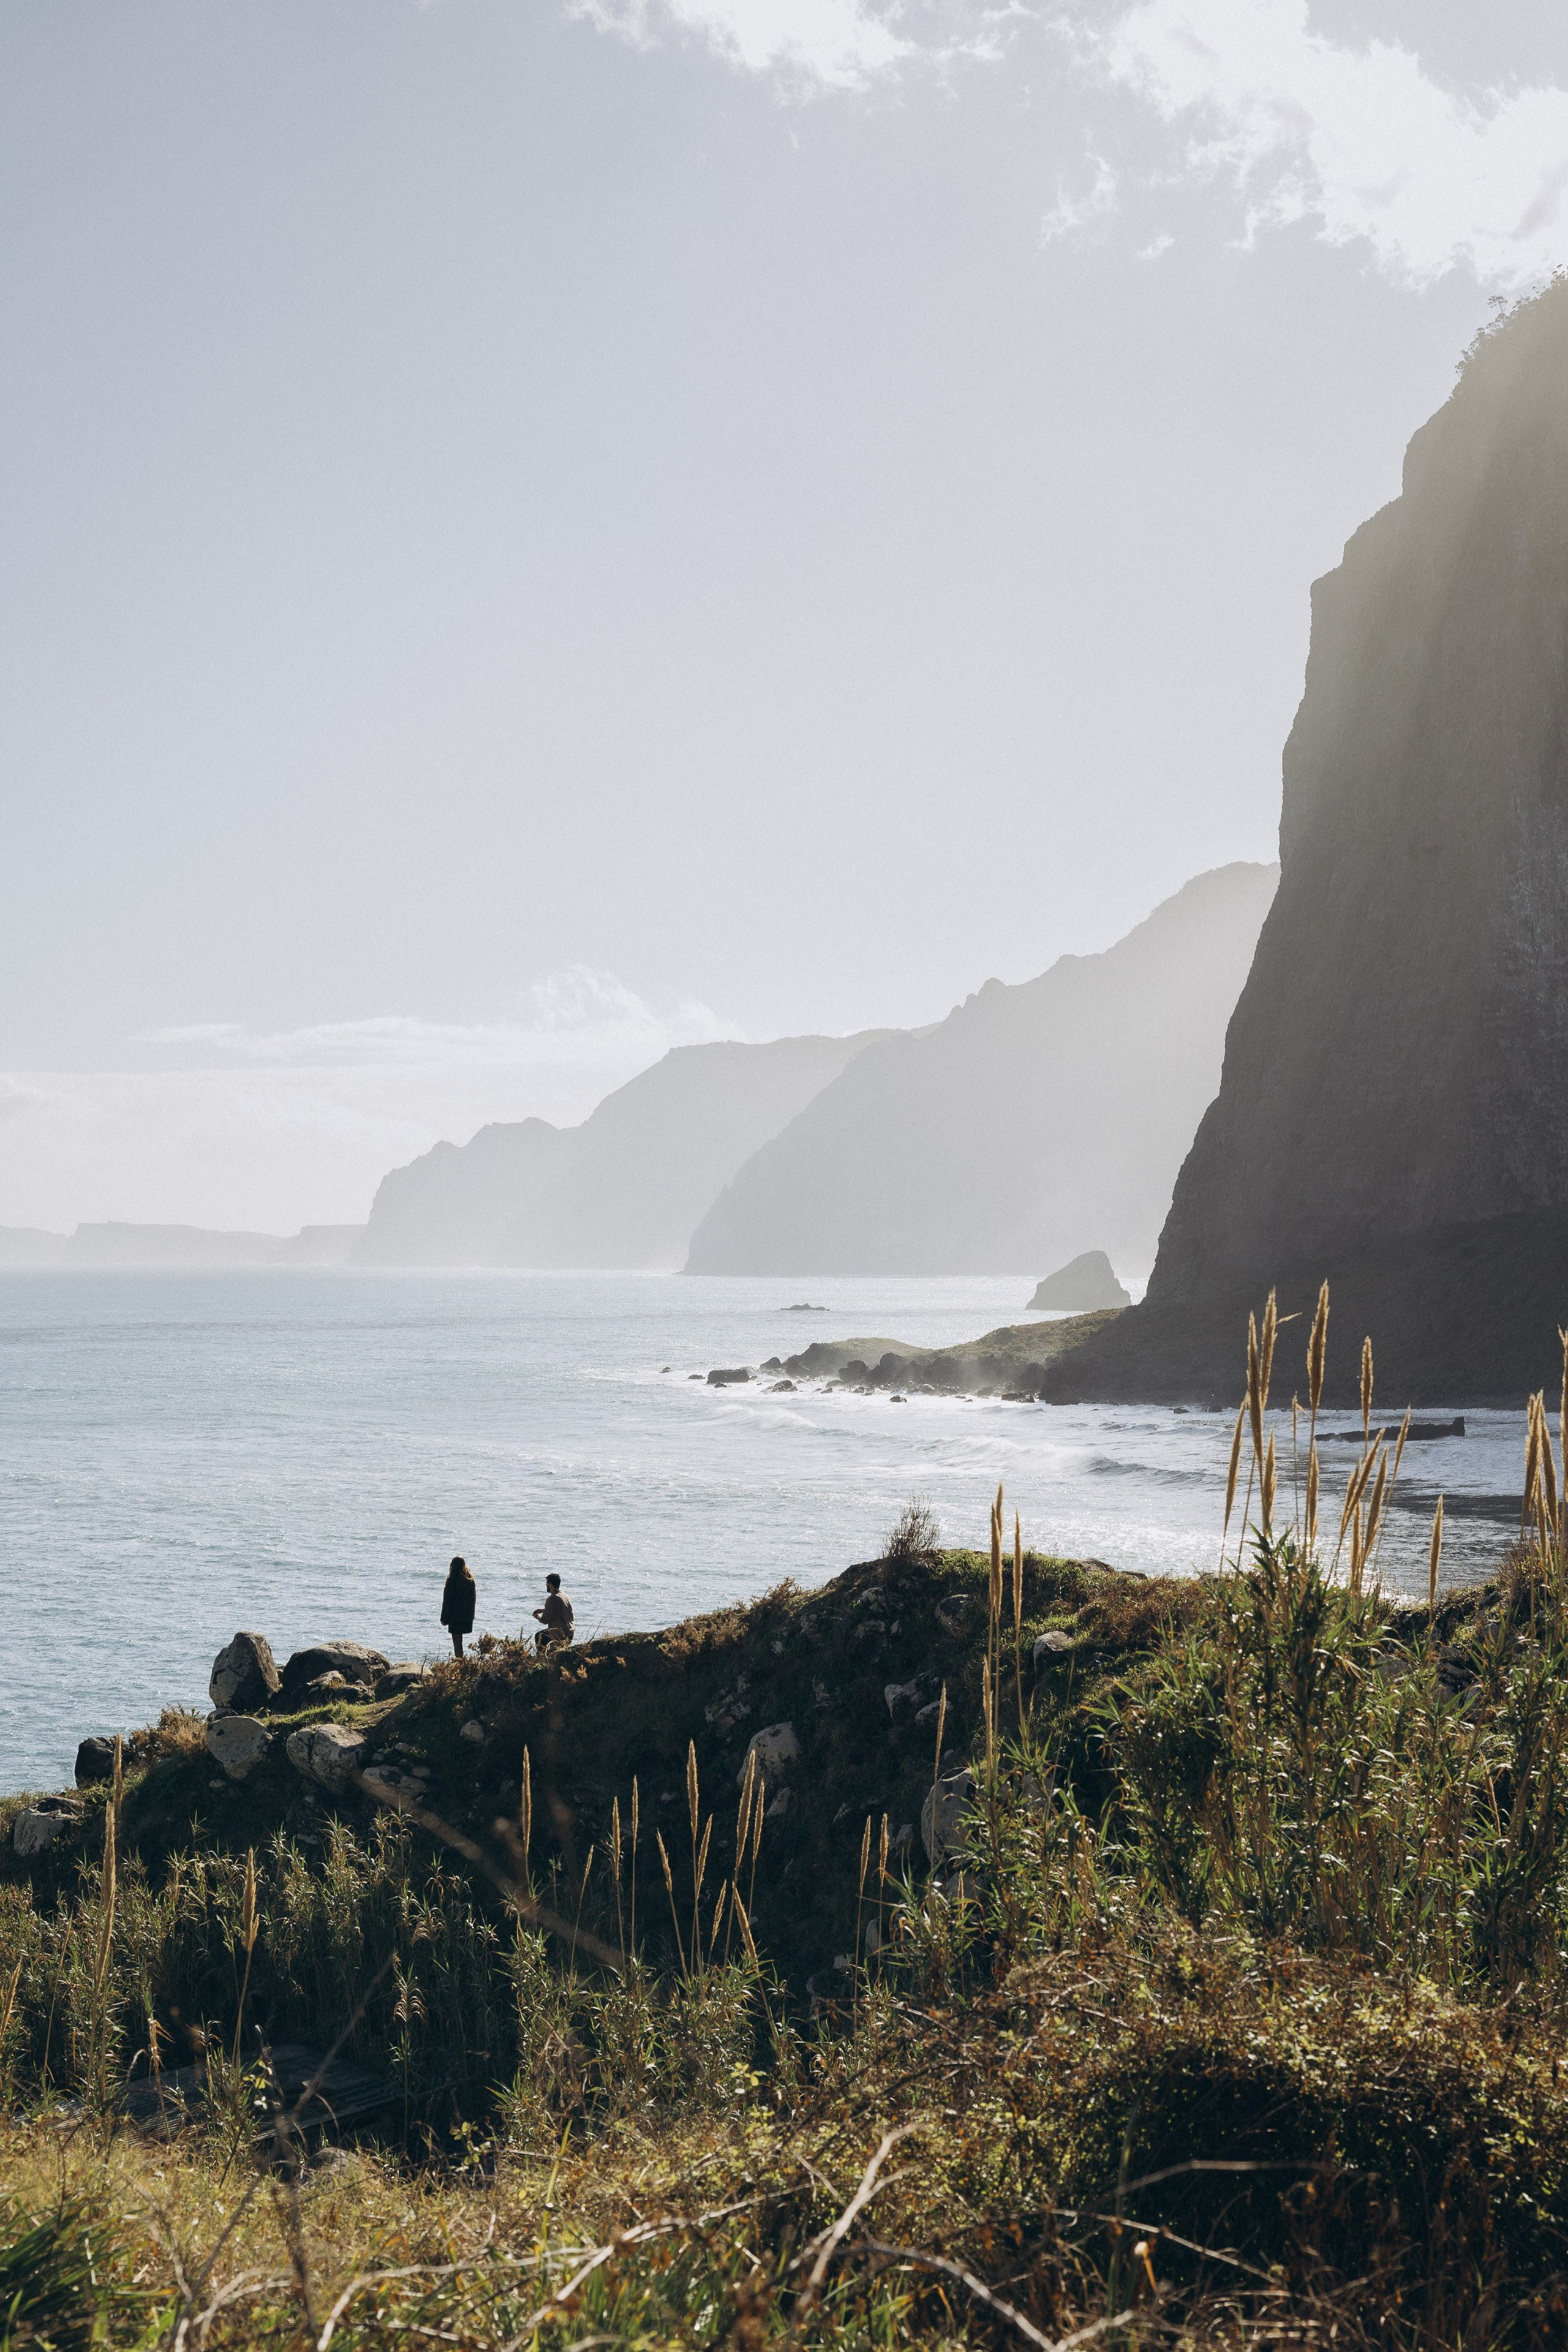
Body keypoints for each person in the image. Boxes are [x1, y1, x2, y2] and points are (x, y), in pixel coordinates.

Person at [440, 1555, 476, 1657]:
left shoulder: (452, 1581)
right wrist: (470, 1617)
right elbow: (473, 1600)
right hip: (467, 1617)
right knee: (459, 1642)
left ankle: (459, 1662)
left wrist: (444, 1619)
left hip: (455, 1617)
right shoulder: (470, 1581)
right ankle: (461, 1662)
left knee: (457, 1643)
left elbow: (447, 1601)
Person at [532, 1572, 574, 1654]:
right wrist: (543, 1610)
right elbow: (559, 1610)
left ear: (551, 1585)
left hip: (560, 1634)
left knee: (539, 1636)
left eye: (547, 1583)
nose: (546, 1585)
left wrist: (537, 1617)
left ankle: (542, 1657)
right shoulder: (564, 1596)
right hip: (570, 1633)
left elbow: (544, 1620)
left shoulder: (552, 1599)